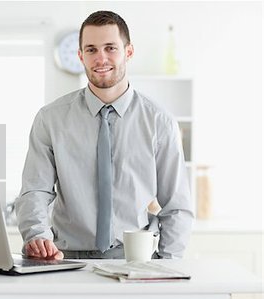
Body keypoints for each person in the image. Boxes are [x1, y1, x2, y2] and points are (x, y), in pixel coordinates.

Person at [15, 10, 194, 260]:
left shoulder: (159, 122)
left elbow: (177, 206)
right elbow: (35, 190)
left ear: (128, 52)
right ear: (80, 55)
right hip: (64, 259)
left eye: (110, 48)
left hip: (136, 259)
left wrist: (167, 265)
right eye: (91, 50)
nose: (101, 58)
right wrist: (37, 235)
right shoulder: (50, 119)